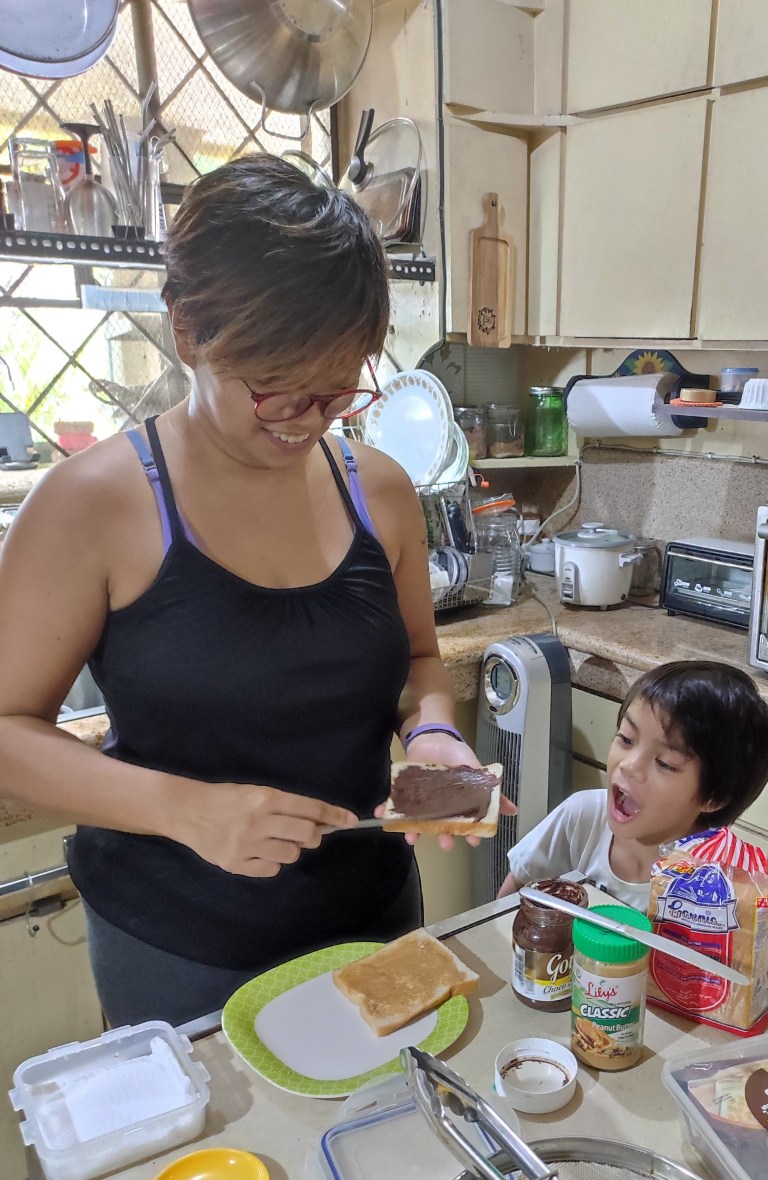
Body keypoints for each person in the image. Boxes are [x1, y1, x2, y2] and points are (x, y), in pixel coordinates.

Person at [0, 154, 494, 1028]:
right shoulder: (92, 506)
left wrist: (433, 737)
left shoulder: (377, 490)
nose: (308, 423)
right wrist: (183, 809)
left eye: (338, 391)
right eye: (276, 394)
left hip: (373, 920)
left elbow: (419, 658)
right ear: (187, 332)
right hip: (180, 947)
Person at [498, 660, 768, 991]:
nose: (629, 765)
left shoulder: (725, 880)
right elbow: (513, 895)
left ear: (714, 797)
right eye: (626, 738)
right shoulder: (582, 816)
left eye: (664, 763)